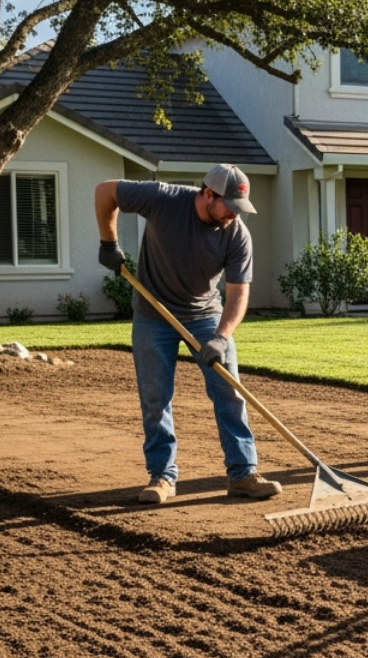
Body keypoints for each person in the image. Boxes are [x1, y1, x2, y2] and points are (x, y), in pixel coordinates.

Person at [94, 164, 282, 505]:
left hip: (205, 315)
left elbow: (239, 293)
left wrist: (221, 337)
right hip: (153, 315)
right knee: (156, 398)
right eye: (229, 207)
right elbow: (105, 191)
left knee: (230, 392)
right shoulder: (162, 198)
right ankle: (162, 477)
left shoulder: (236, 233)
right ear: (207, 194)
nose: (233, 216)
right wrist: (109, 243)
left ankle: (242, 474)